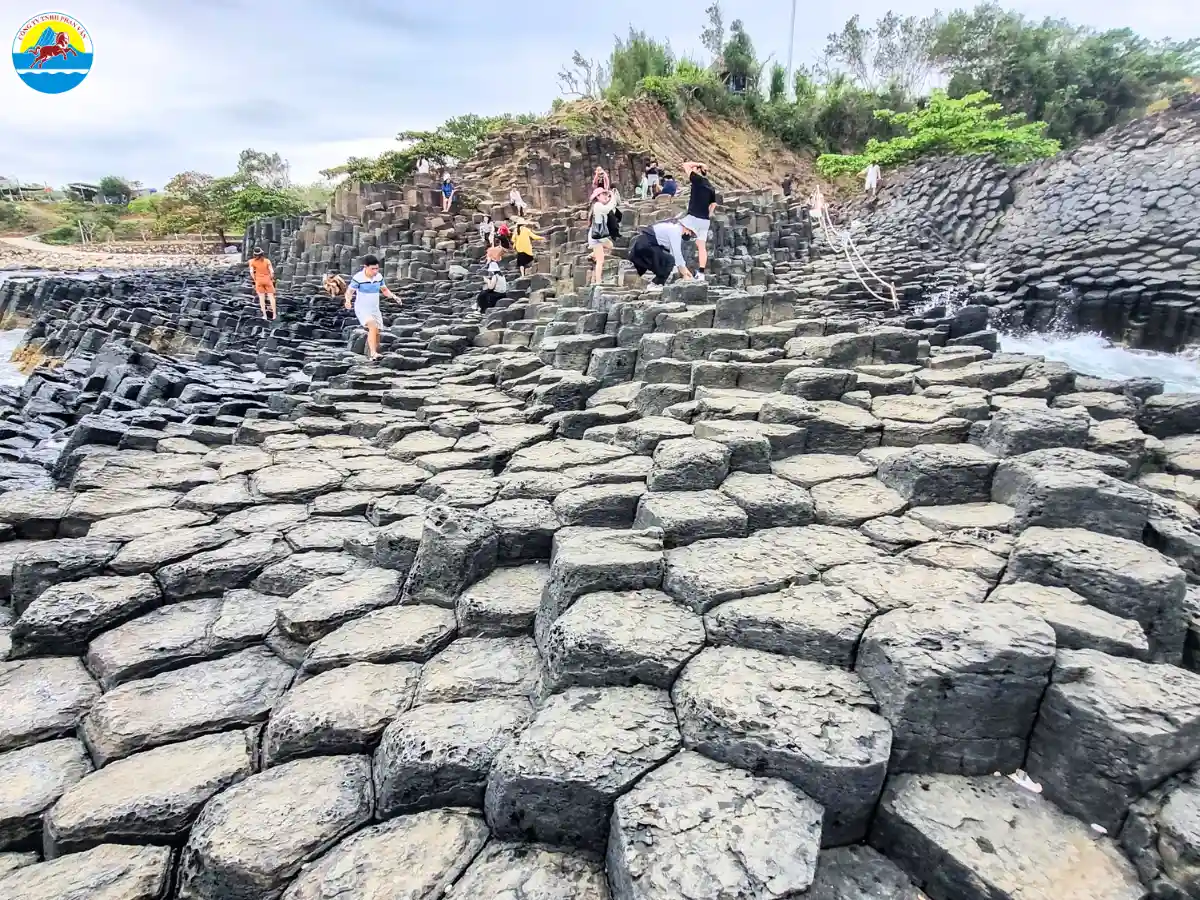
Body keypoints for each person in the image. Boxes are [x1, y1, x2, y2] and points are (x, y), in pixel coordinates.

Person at [344, 254, 399, 362]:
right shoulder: (358, 278)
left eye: (377, 268)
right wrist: (348, 301)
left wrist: (394, 296)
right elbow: (349, 292)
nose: (375, 271)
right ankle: (373, 353)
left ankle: (373, 354)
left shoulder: (379, 277)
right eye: (372, 269)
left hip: (375, 308)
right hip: (362, 308)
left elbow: (384, 290)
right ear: (365, 267)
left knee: (377, 332)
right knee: (372, 326)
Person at [628, 219, 695, 290]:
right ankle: (656, 284)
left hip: (641, 244)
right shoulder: (676, 231)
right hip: (646, 245)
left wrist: (686, 272)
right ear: (686, 228)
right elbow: (677, 255)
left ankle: (631, 284)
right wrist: (685, 274)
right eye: (690, 232)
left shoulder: (672, 227)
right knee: (669, 261)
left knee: (638, 269)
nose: (689, 235)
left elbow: (674, 255)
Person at [680, 161, 717, 282]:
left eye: (695, 169)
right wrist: (709, 213)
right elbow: (713, 204)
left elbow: (685, 165)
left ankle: (687, 233)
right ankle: (701, 273)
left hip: (693, 216)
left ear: (699, 170)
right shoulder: (711, 187)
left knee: (677, 225)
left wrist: (698, 163)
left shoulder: (697, 179)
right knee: (701, 246)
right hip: (704, 220)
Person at [587, 187, 620, 286]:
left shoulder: (599, 205)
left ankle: (592, 255)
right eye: (603, 195)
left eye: (606, 194)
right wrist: (612, 198)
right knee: (600, 260)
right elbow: (608, 208)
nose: (606, 196)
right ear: (597, 197)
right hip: (596, 236)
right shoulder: (597, 205)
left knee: (610, 246)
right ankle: (598, 282)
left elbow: (611, 209)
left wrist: (611, 197)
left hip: (599, 235)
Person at [247, 247, 276, 320]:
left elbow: (251, 272)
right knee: (271, 297)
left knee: (261, 298)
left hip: (259, 280)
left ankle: (265, 316)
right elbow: (272, 272)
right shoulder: (267, 261)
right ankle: (274, 315)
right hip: (267, 280)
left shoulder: (251, 261)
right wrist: (271, 278)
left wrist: (255, 279)